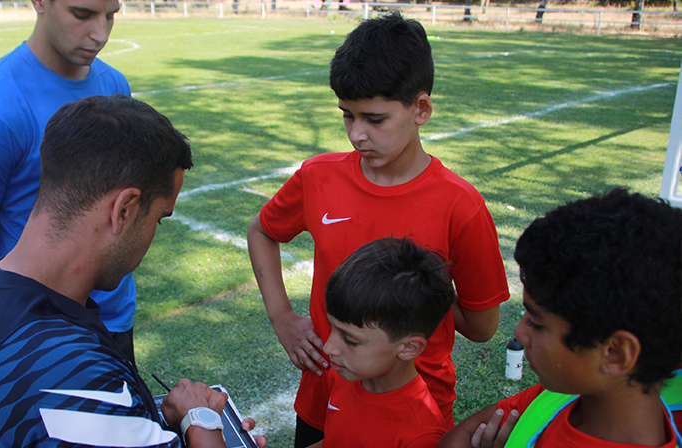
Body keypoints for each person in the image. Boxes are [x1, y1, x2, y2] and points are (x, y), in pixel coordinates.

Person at [246, 12, 509, 445]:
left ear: (421, 108)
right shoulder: (318, 177)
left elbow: (482, 327)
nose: (357, 135)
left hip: (412, 413)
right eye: (347, 116)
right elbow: (262, 231)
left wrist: (420, 286)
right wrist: (282, 317)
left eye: (375, 119)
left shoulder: (460, 205)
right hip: (324, 392)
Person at [0, 95, 267, 448]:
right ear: (125, 210)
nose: (152, 237)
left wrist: (160, 424)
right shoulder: (73, 373)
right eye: (158, 219)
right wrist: (203, 422)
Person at [0, 0, 139, 363]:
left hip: (114, 321)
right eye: (82, 14)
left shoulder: (114, 85)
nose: (101, 34)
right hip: (42, 334)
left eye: (111, 15)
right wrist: (36, 311)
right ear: (40, 2)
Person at [438, 188, 682, 448]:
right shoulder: (568, 394)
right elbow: (457, 438)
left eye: (537, 323)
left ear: (615, 353)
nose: (519, 333)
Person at [307, 237, 454, 448]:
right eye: (332, 328)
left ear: (409, 348)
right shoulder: (345, 374)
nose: (328, 347)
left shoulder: (420, 436)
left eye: (350, 340)